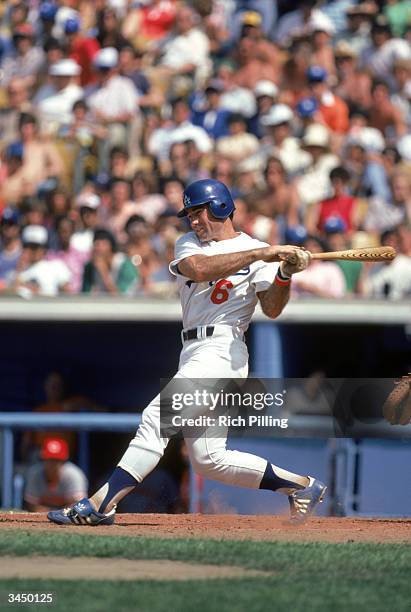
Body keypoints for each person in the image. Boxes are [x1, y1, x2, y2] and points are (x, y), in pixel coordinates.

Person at [48, 178, 326, 526]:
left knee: (156, 419)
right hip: (195, 349)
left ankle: (102, 504)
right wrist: (264, 254)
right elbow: (198, 269)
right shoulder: (190, 245)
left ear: (221, 207)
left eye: (198, 212)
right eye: (190, 214)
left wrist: (284, 273)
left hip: (223, 350)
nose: (193, 221)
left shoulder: (260, 251)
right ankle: (302, 487)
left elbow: (271, 308)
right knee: (210, 459)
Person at [24, 437, 88, 512]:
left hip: (67, 519)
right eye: (49, 459)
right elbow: (32, 506)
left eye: (56, 460)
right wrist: (55, 513)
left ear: (63, 461)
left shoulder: (74, 475)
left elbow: (79, 506)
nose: (52, 464)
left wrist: (54, 513)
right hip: (49, 515)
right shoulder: (34, 474)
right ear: (43, 459)